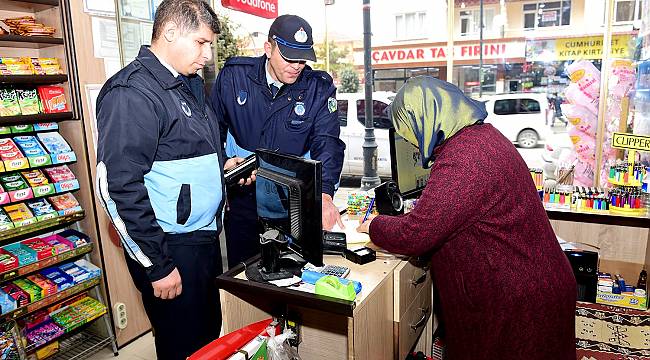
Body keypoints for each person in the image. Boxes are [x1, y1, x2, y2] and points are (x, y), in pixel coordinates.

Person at [357, 76, 577, 360]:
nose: (412, 144)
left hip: (520, 298)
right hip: (532, 282)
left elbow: (415, 235)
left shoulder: (464, 158)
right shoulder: (481, 137)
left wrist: (373, 225)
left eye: (410, 132)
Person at [95, 1, 232, 358]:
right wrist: (157, 265)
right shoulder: (131, 92)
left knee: (207, 338)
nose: (207, 53)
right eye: (201, 42)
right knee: (182, 345)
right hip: (170, 247)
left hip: (201, 240)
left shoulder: (187, 83)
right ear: (171, 33)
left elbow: (184, 152)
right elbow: (117, 187)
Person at [210, 15, 345, 268]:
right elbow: (209, 132)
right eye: (288, 57)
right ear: (268, 49)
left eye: (302, 59)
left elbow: (327, 143)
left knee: (292, 277)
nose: (296, 66)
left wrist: (324, 195)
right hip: (243, 199)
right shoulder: (234, 77)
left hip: (291, 203)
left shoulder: (318, 88)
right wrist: (224, 164)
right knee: (243, 277)